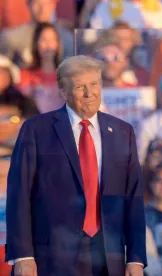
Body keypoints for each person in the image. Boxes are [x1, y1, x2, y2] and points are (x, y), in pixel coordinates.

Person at [6, 55, 147, 275]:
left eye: (94, 85)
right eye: (81, 87)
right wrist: (23, 255)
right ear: (63, 92)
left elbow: (134, 198)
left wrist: (136, 258)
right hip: (51, 258)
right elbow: (19, 195)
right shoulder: (36, 130)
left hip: (108, 256)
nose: (89, 94)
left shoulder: (123, 132)